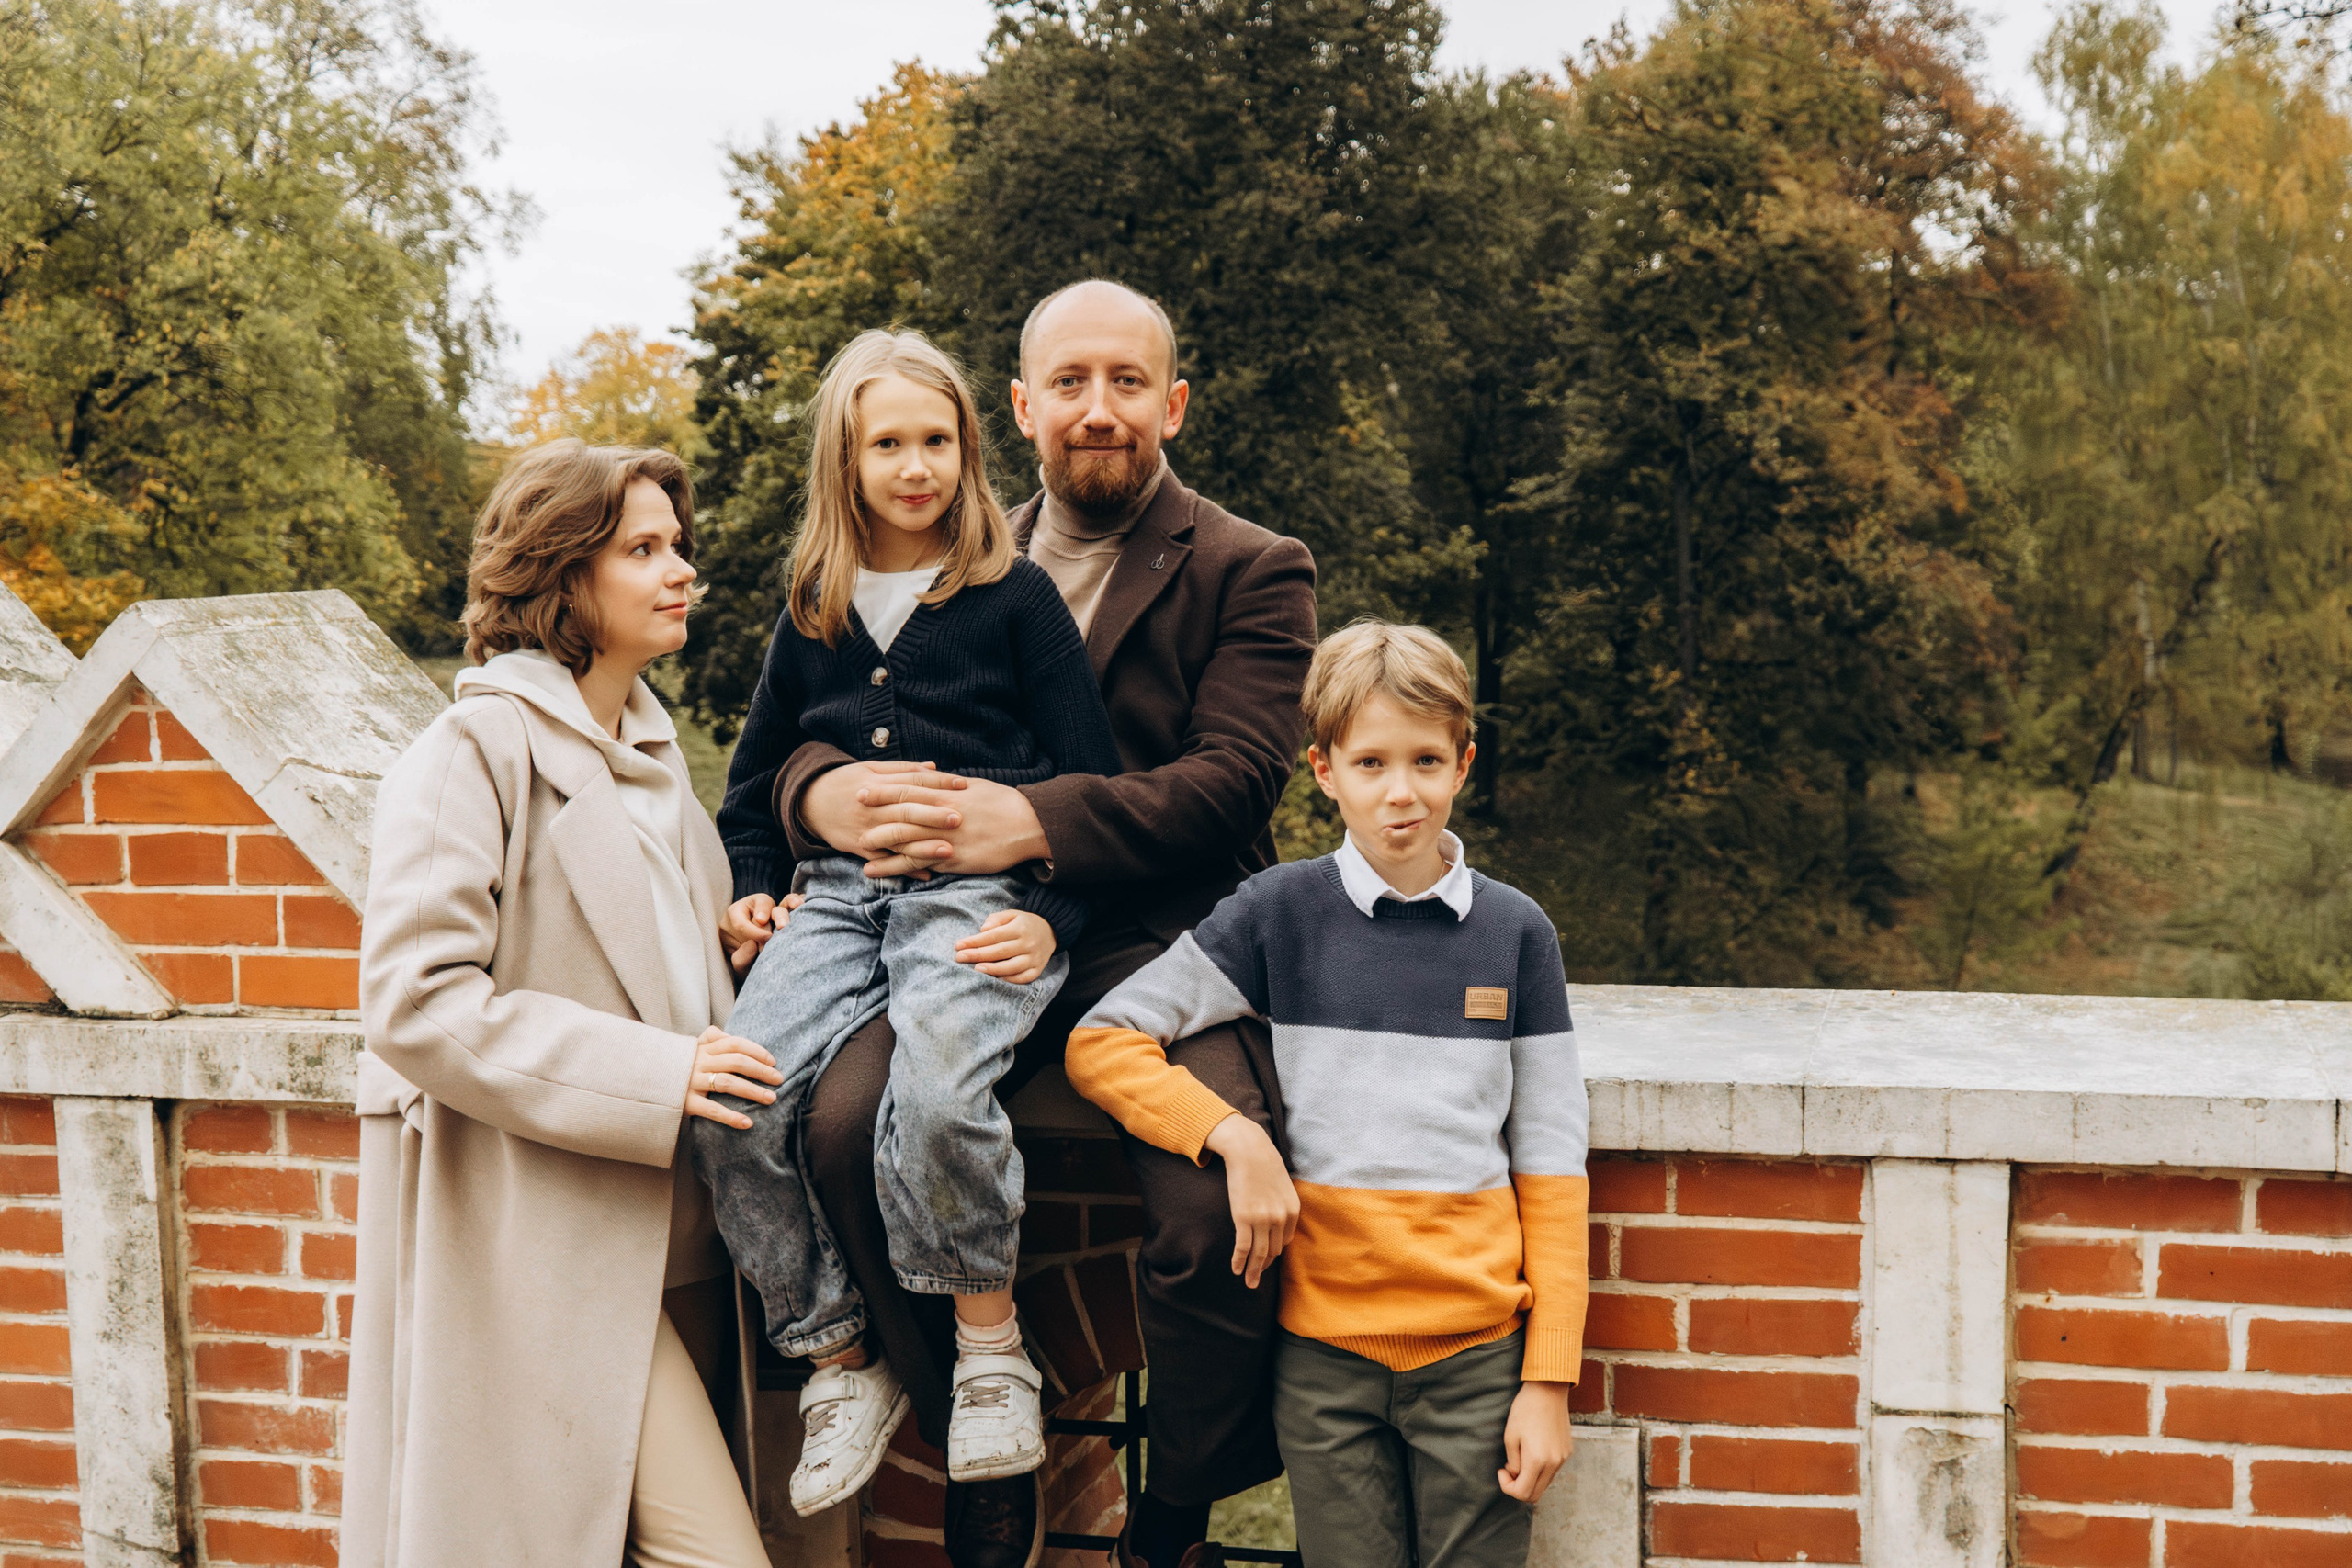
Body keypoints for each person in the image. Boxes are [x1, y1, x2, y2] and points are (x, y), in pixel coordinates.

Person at [719, 279, 1317, 1568]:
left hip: (1148, 940)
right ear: (1023, 405)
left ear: (1173, 401)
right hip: (952, 921)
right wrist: (814, 798)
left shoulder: (1250, 566)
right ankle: (976, 1425)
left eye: (1127, 381)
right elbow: (805, 735)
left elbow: (1231, 784)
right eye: (1071, 383)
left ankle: (1175, 1506)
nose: (1098, 409)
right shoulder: (940, 543)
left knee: (1210, 1211)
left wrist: (1028, 826)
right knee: (832, 1124)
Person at [699, 328, 1125, 1521]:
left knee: (937, 1093)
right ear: (846, 458)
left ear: (971, 451)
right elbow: (751, 792)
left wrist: (1054, 917)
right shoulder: (814, 608)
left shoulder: (1012, 599)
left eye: (937, 439)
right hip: (834, 897)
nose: (916, 464)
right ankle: (838, 1352)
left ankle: (990, 1343)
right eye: (889, 442)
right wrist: (750, 879)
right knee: (738, 1096)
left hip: (976, 899)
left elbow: (1088, 793)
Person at [346, 440, 787, 1568]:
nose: (680, 567)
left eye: (676, 544)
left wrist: (734, 938)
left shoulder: (653, 762)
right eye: (643, 548)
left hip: (688, 1239)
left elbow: (655, 977)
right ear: (562, 578)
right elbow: (417, 1001)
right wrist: (661, 1075)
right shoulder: (469, 752)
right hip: (552, 1247)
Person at [1066, 621, 1590, 1568]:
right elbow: (1102, 1040)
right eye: (1371, 762)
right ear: (1323, 770)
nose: (1402, 792)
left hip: (1478, 1359)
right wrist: (1233, 1138)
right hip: (1321, 1362)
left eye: (1427, 760)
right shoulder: (1277, 916)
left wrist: (1547, 1380)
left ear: (1463, 764)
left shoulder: (1517, 935)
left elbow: (1552, 1168)